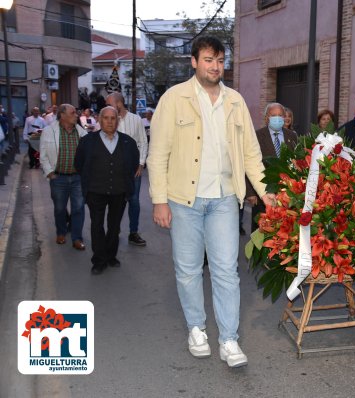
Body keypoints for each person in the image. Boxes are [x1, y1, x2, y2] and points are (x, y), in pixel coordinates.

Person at [147, 36, 275, 368]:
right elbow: (157, 154)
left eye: (219, 60)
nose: (214, 66)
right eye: (207, 60)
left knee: (226, 271)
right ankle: (196, 328)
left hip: (223, 200)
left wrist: (265, 192)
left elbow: (251, 154)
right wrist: (159, 201)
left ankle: (229, 339)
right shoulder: (174, 99)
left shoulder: (235, 101)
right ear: (194, 62)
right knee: (188, 270)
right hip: (183, 200)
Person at [74, 106, 139, 275]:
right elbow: (79, 164)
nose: (110, 121)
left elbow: (133, 165)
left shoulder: (128, 142)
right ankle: (99, 260)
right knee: (96, 225)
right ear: (100, 120)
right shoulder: (87, 141)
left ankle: (111, 256)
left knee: (114, 226)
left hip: (119, 191)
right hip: (95, 191)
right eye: (106, 118)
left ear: (117, 121)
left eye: (113, 118)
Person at [40, 104, 88, 250]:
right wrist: (50, 172)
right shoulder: (49, 131)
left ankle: (77, 238)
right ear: (62, 115)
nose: (76, 115)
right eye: (73, 113)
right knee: (60, 208)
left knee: (78, 208)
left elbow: (87, 156)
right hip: (58, 178)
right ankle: (61, 232)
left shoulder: (82, 133)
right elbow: (43, 155)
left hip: (78, 178)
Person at [246, 102, 298, 232]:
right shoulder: (256, 136)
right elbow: (249, 162)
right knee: (261, 230)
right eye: (273, 115)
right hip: (263, 191)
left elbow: (297, 160)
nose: (278, 118)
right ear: (266, 118)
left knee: (284, 229)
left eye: (280, 115)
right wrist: (251, 192)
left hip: (286, 192)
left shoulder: (292, 136)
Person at [105, 92, 148, 247]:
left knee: (134, 201)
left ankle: (133, 232)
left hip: (132, 170)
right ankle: (113, 230)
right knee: (114, 201)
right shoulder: (108, 119)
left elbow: (143, 142)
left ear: (119, 103)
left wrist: (141, 164)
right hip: (113, 170)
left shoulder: (135, 119)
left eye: (109, 104)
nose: (107, 107)